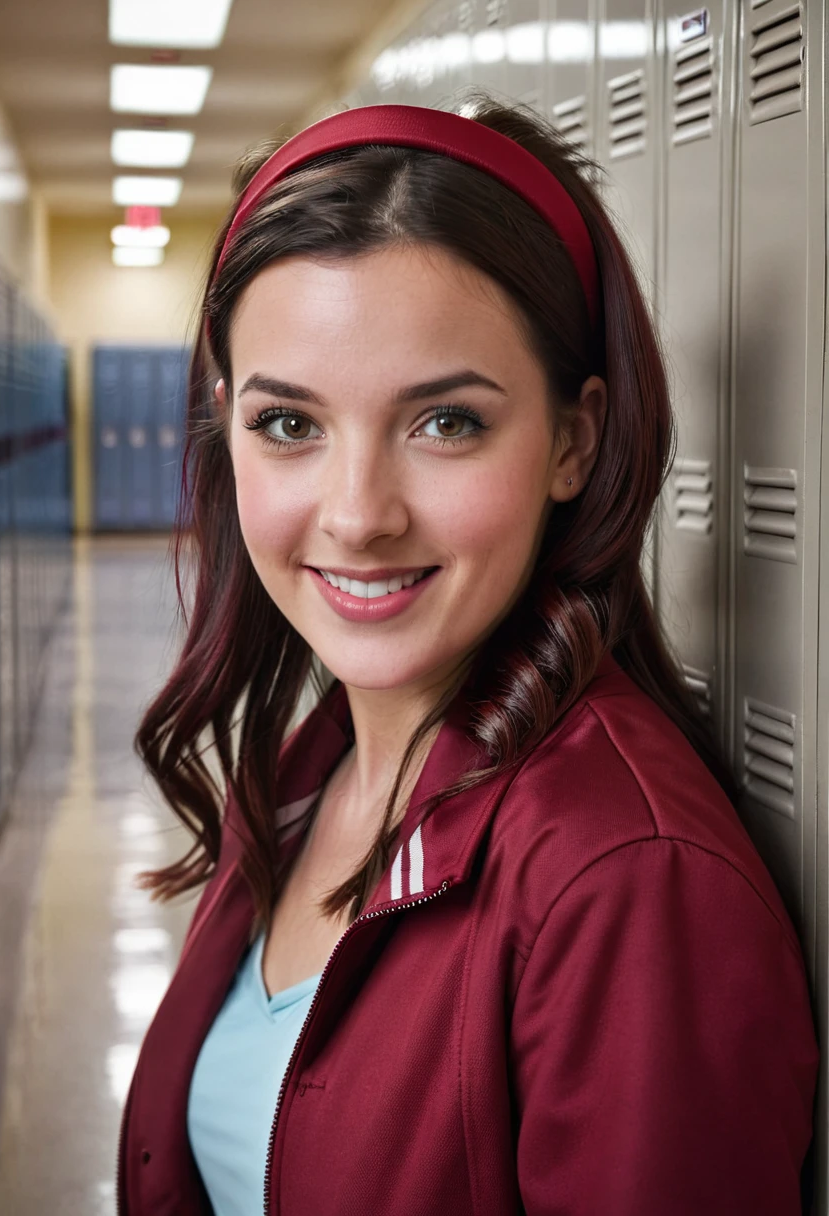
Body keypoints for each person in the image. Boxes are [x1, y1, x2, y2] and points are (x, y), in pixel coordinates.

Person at [117, 94, 818, 1216]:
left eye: (444, 422)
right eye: (290, 423)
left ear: (573, 441)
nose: (357, 515)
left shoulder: (626, 884)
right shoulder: (320, 762)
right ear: (225, 424)